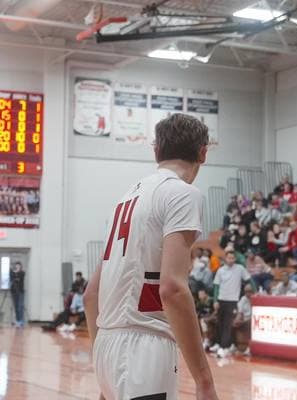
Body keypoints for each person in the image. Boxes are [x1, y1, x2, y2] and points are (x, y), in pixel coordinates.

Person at [83, 114, 219, 400]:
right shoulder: (182, 194)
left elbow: (91, 294)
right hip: (146, 348)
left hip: (105, 344)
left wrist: (102, 360)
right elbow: (172, 288)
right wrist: (204, 380)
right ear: (203, 153)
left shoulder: (124, 200)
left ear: (156, 151)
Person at [210, 251, 255, 358]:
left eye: (232, 258)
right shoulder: (220, 270)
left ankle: (224, 347)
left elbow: (249, 280)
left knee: (228, 324)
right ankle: (227, 344)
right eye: (229, 258)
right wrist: (215, 300)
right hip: (221, 300)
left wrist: (255, 290)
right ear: (225, 259)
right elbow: (216, 286)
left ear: (235, 259)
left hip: (233, 301)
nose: (231, 260)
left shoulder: (240, 269)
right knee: (220, 323)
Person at [10, 262, 25, 328]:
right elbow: (12, 278)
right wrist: (14, 273)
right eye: (16, 266)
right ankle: (18, 321)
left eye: (19, 266)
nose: (17, 267)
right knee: (16, 307)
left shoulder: (23, 272)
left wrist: (15, 273)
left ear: (21, 267)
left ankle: (21, 321)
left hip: (20, 292)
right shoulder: (13, 273)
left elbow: (19, 278)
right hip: (14, 292)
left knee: (20, 307)